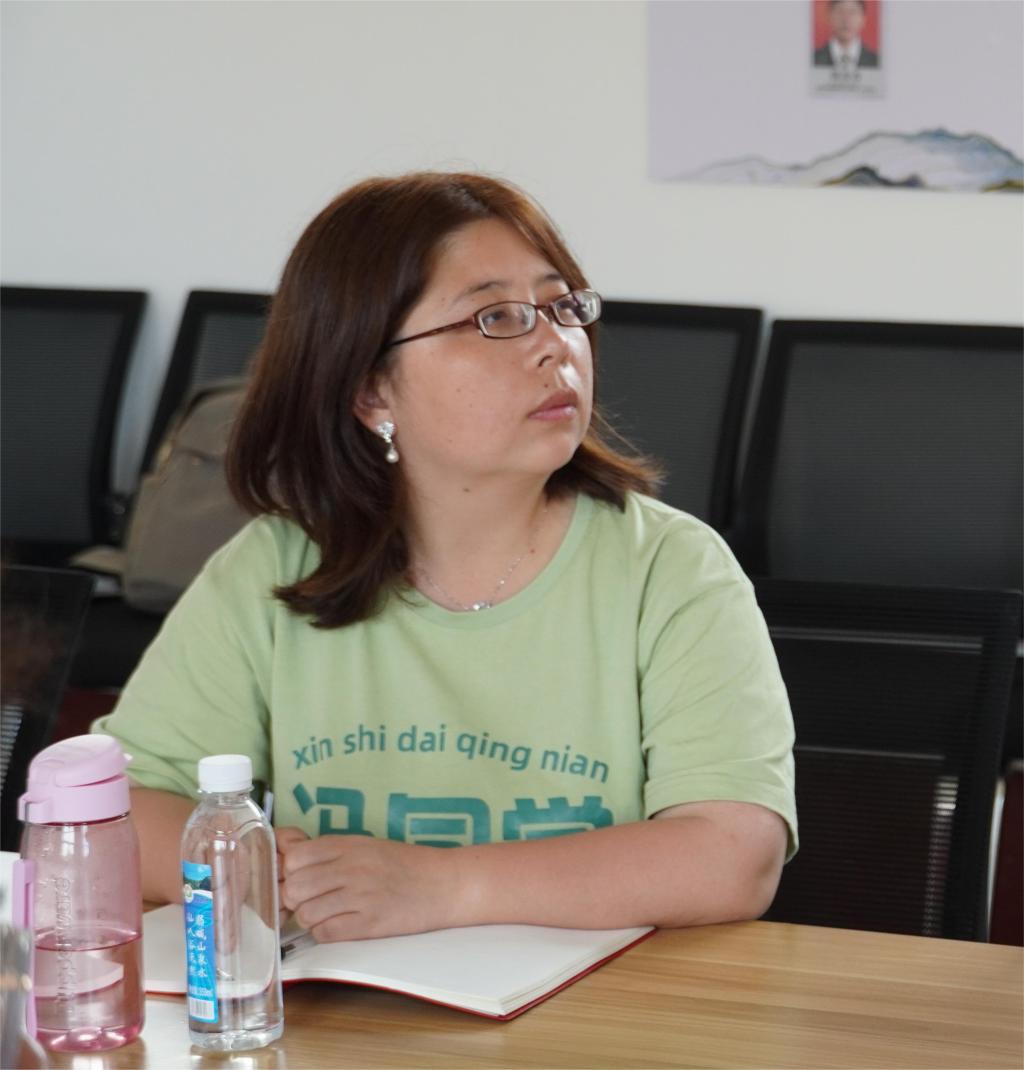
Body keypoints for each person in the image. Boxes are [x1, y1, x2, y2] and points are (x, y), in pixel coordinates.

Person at [94, 172, 797, 942]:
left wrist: (443, 885)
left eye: (562, 307)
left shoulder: (671, 567)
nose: (556, 346)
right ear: (370, 391)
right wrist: (270, 870)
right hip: (346, 1005)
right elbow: (118, 807)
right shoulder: (276, 566)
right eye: (496, 318)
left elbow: (733, 855)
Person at [813, 0, 879, 69]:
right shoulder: (813, 59)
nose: (846, 19)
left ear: (863, 18)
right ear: (829, 16)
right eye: (840, 12)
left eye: (852, 12)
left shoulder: (877, 61)